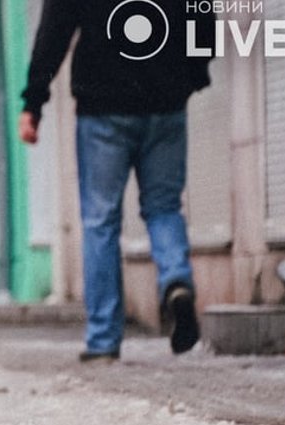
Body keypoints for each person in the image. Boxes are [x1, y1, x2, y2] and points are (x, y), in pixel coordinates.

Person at [19, 0, 215, 362]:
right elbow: (201, 14)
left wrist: (34, 103)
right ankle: (175, 280)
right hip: (166, 101)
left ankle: (103, 339)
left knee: (100, 221)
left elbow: (54, 32)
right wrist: (193, 74)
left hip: (103, 104)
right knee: (164, 206)